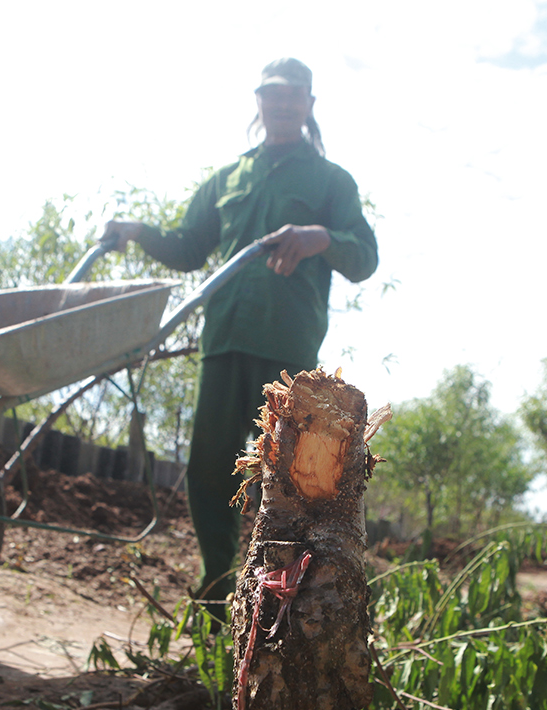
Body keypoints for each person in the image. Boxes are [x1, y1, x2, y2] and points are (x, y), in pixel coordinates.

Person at [102, 57, 378, 618]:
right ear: (259, 101)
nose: (281, 103)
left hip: (287, 349)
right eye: (271, 94)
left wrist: (320, 235)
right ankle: (217, 591)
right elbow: (186, 248)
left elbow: (365, 257)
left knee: (289, 477)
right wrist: (136, 231)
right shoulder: (228, 179)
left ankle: (285, 598)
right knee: (208, 470)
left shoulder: (329, 181)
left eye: (293, 94)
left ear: (308, 104)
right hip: (224, 337)